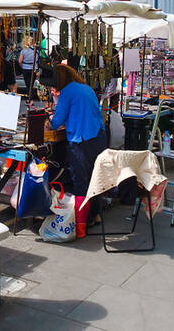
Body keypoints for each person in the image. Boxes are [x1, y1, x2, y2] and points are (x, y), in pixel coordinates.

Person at [48, 64, 107, 238]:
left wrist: (50, 116)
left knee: (80, 182)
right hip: (98, 138)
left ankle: (81, 226)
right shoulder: (86, 89)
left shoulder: (66, 92)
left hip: (82, 141)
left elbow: (56, 122)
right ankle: (94, 216)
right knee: (94, 179)